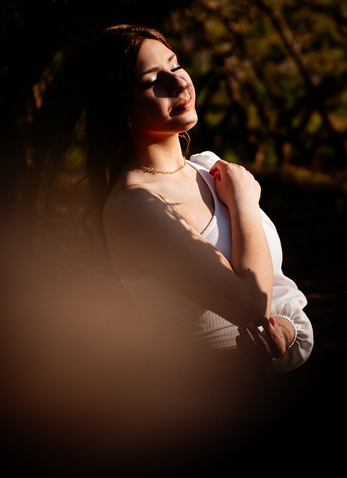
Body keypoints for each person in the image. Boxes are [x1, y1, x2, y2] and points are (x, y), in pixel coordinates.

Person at [83, 24, 313, 372]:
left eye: (174, 66)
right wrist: (244, 203)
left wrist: (283, 330)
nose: (178, 83)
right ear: (119, 108)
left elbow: (277, 292)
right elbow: (253, 305)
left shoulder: (208, 168)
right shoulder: (134, 205)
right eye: (151, 82)